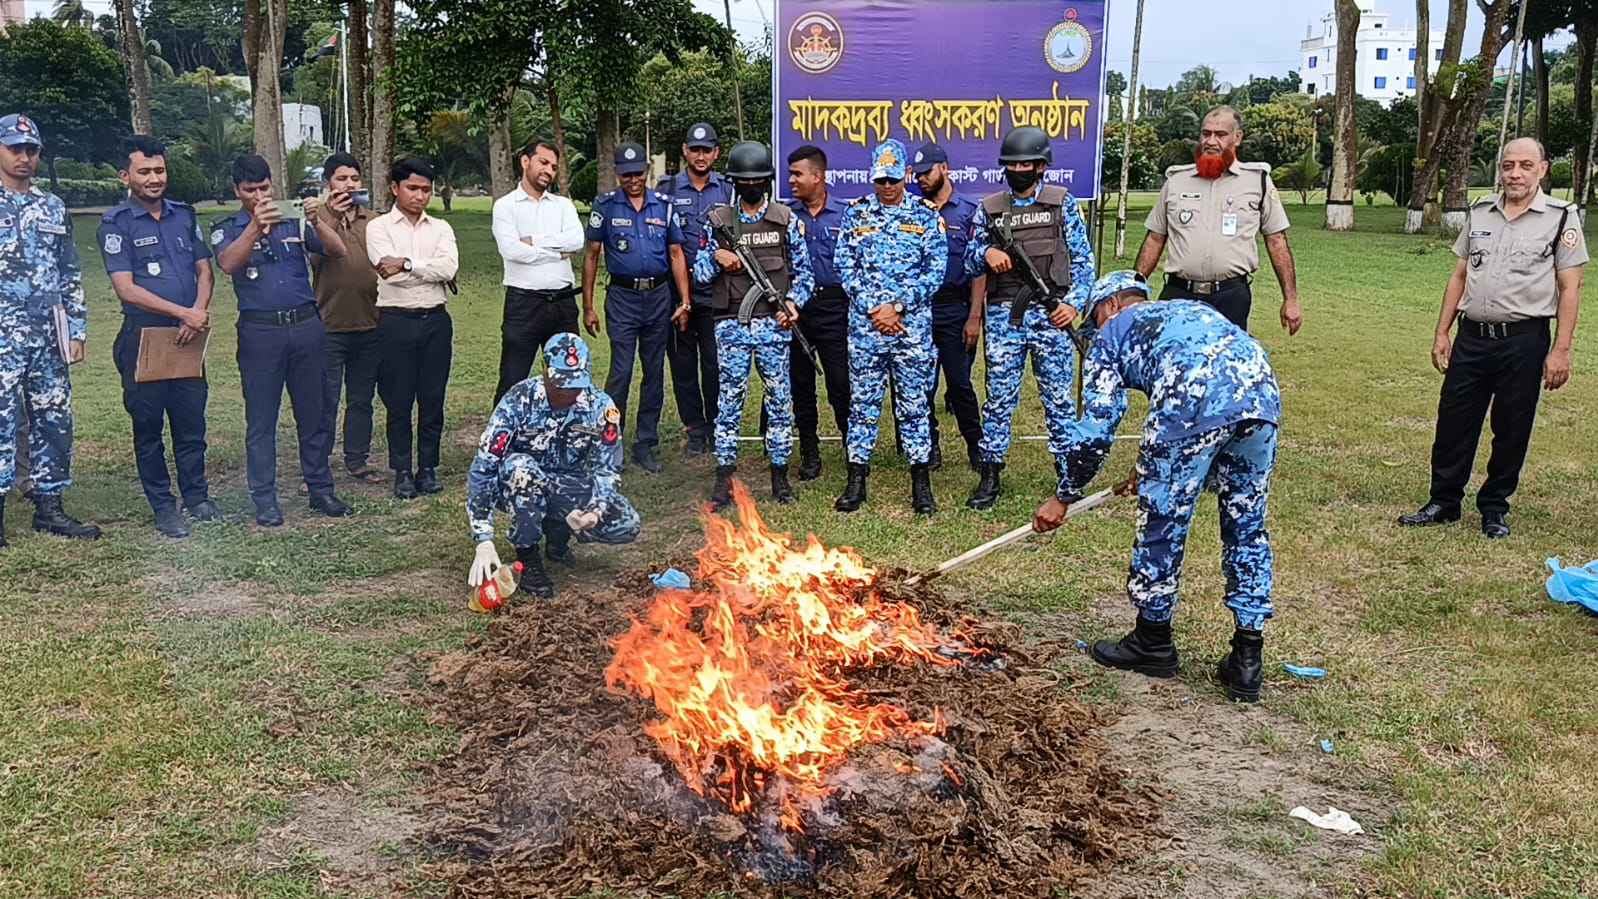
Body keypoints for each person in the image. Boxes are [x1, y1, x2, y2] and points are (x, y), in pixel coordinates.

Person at [1035, 271, 1281, 703]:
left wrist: (1063, 495)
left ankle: (1152, 639)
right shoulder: (1187, 310)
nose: (1096, 330)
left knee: (1162, 521)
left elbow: (1094, 433)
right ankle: (1247, 657)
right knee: (1246, 525)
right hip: (1260, 394)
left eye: (1096, 318)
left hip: (1192, 402)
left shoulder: (1112, 333)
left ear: (1109, 306)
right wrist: (1157, 466)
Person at [1398, 137, 1587, 539]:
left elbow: (1570, 288)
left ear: (1543, 169)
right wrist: (1442, 331)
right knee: (1454, 420)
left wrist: (1562, 350)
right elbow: (1460, 275)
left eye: (1524, 166)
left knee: (1512, 426)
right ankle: (1444, 502)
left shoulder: (1559, 218)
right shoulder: (1481, 211)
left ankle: (1494, 508)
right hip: (1472, 336)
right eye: (1507, 166)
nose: (1514, 174)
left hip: (1524, 340)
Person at [212, 154, 353, 526]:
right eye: (250, 190)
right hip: (261, 331)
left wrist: (315, 220)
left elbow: (337, 250)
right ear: (236, 191)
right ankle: (264, 498)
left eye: (264, 187)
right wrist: (255, 228)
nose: (259, 195)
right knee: (261, 418)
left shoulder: (292, 218)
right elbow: (227, 264)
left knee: (315, 412)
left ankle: (320, 488)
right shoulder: (228, 226)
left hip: (306, 326)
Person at [962, 126, 1094, 510]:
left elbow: (1083, 264)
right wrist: (986, 254)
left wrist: (1073, 304)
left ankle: (1068, 473)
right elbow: (968, 260)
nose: (1019, 169)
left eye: (1026, 163)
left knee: (1058, 399)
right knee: (999, 398)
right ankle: (990, 474)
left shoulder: (1062, 204)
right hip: (1007, 318)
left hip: (1053, 314)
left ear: (1041, 167)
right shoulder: (989, 209)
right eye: (1012, 163)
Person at [97, 135, 219, 538]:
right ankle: (164, 506)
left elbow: (204, 269)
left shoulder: (184, 215)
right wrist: (183, 312)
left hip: (188, 336)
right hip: (144, 337)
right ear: (125, 176)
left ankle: (197, 498)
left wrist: (197, 313)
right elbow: (125, 288)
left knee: (190, 423)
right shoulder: (116, 224)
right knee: (149, 428)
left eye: (160, 170)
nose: (154, 178)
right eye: (145, 171)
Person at [466, 333, 641, 600]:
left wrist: (594, 511)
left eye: (575, 385)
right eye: (561, 385)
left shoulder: (601, 407)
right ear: (545, 372)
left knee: (625, 522)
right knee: (521, 469)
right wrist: (484, 537)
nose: (568, 392)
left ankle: (558, 532)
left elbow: (606, 468)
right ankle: (528, 555)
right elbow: (484, 466)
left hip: (565, 486)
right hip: (517, 484)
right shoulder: (518, 400)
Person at [693, 140, 814, 510]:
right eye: (744, 181)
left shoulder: (785, 220)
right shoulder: (717, 222)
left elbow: (805, 274)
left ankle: (779, 475)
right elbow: (698, 274)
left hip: (773, 327)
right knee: (729, 402)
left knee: (780, 401)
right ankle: (724, 477)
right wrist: (718, 256)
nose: (751, 186)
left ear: (767, 181)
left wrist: (792, 304)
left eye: (757, 180)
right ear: (733, 182)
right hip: (731, 325)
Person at [0, 112, 100, 546]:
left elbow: (69, 272)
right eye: (15, 148)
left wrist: (76, 329)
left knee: (53, 418)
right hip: (3, 337)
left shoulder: (51, 206)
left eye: (31, 150)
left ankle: (50, 506)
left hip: (47, 336)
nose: (24, 157)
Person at [832, 138, 947, 515]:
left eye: (893, 180)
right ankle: (856, 481)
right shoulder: (856, 215)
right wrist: (874, 310)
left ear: (907, 176)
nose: (886, 187)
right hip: (867, 330)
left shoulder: (926, 216)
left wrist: (897, 307)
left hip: (910, 330)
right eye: (880, 180)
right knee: (863, 405)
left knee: (914, 404)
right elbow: (844, 268)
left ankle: (922, 484)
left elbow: (936, 271)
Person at [1134, 105, 1303, 334]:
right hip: (1179, 294)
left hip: (1230, 297)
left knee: (1223, 365)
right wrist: (1133, 290)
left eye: (1220, 135)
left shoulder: (1257, 181)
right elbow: (1154, 239)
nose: (1210, 142)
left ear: (1237, 137)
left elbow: (1277, 242)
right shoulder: (1176, 181)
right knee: (1175, 364)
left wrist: (1290, 299)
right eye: (1206, 133)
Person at [582, 141, 692, 474]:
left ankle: (646, 442)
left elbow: (676, 254)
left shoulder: (663, 205)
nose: (633, 180)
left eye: (638, 173)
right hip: (622, 300)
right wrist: (587, 306)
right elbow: (591, 255)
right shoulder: (606, 207)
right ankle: (610, 443)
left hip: (658, 298)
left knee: (654, 373)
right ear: (617, 173)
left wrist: (685, 300)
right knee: (620, 373)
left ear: (646, 171)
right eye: (626, 174)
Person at [365, 157, 459, 499]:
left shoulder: (441, 229)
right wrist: (425, 269)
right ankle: (402, 470)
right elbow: (386, 273)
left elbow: (449, 268)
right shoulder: (378, 228)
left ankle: (428, 468)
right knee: (399, 399)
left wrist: (406, 262)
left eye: (426, 190)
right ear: (395, 188)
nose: (420, 196)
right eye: (412, 188)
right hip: (396, 319)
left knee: (433, 398)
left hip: (435, 319)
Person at [305, 151, 386, 486]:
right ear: (328, 184)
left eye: (354, 179)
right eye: (341, 179)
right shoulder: (314, 217)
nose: (348, 185)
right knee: (325, 399)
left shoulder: (375, 220)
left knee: (361, 399)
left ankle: (357, 459)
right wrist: (331, 220)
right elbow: (313, 259)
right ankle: (317, 464)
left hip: (371, 322)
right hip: (329, 324)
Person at [658, 122, 734, 456]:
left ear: (716, 153)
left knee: (715, 364)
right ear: (685, 152)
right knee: (683, 364)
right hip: (678, 293)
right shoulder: (667, 188)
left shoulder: (728, 190)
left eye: (707, 150)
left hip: (718, 292)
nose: (701, 156)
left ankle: (718, 425)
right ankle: (695, 429)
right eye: (695, 149)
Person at [491, 139, 584, 403]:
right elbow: (511, 250)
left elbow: (576, 241)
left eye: (553, 167)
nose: (549, 171)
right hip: (524, 304)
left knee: (567, 376)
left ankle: (564, 437)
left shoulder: (563, 205)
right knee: (513, 376)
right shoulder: (506, 206)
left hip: (563, 304)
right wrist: (557, 251)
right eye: (543, 163)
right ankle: (503, 439)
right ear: (525, 161)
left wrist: (534, 241)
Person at [910, 142, 982, 473]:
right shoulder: (912, 212)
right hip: (919, 310)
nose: (921, 179)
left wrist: (974, 317)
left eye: (927, 173)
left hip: (956, 309)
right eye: (918, 174)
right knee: (921, 385)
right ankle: (930, 447)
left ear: (945, 168)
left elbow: (979, 268)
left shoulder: (968, 211)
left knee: (960, 384)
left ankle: (976, 447)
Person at [780, 144, 851, 481]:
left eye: (797, 174)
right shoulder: (785, 217)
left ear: (817, 176)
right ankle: (809, 451)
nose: (791, 180)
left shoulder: (846, 214)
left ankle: (854, 448)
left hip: (836, 308)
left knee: (841, 383)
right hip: (797, 309)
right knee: (801, 386)